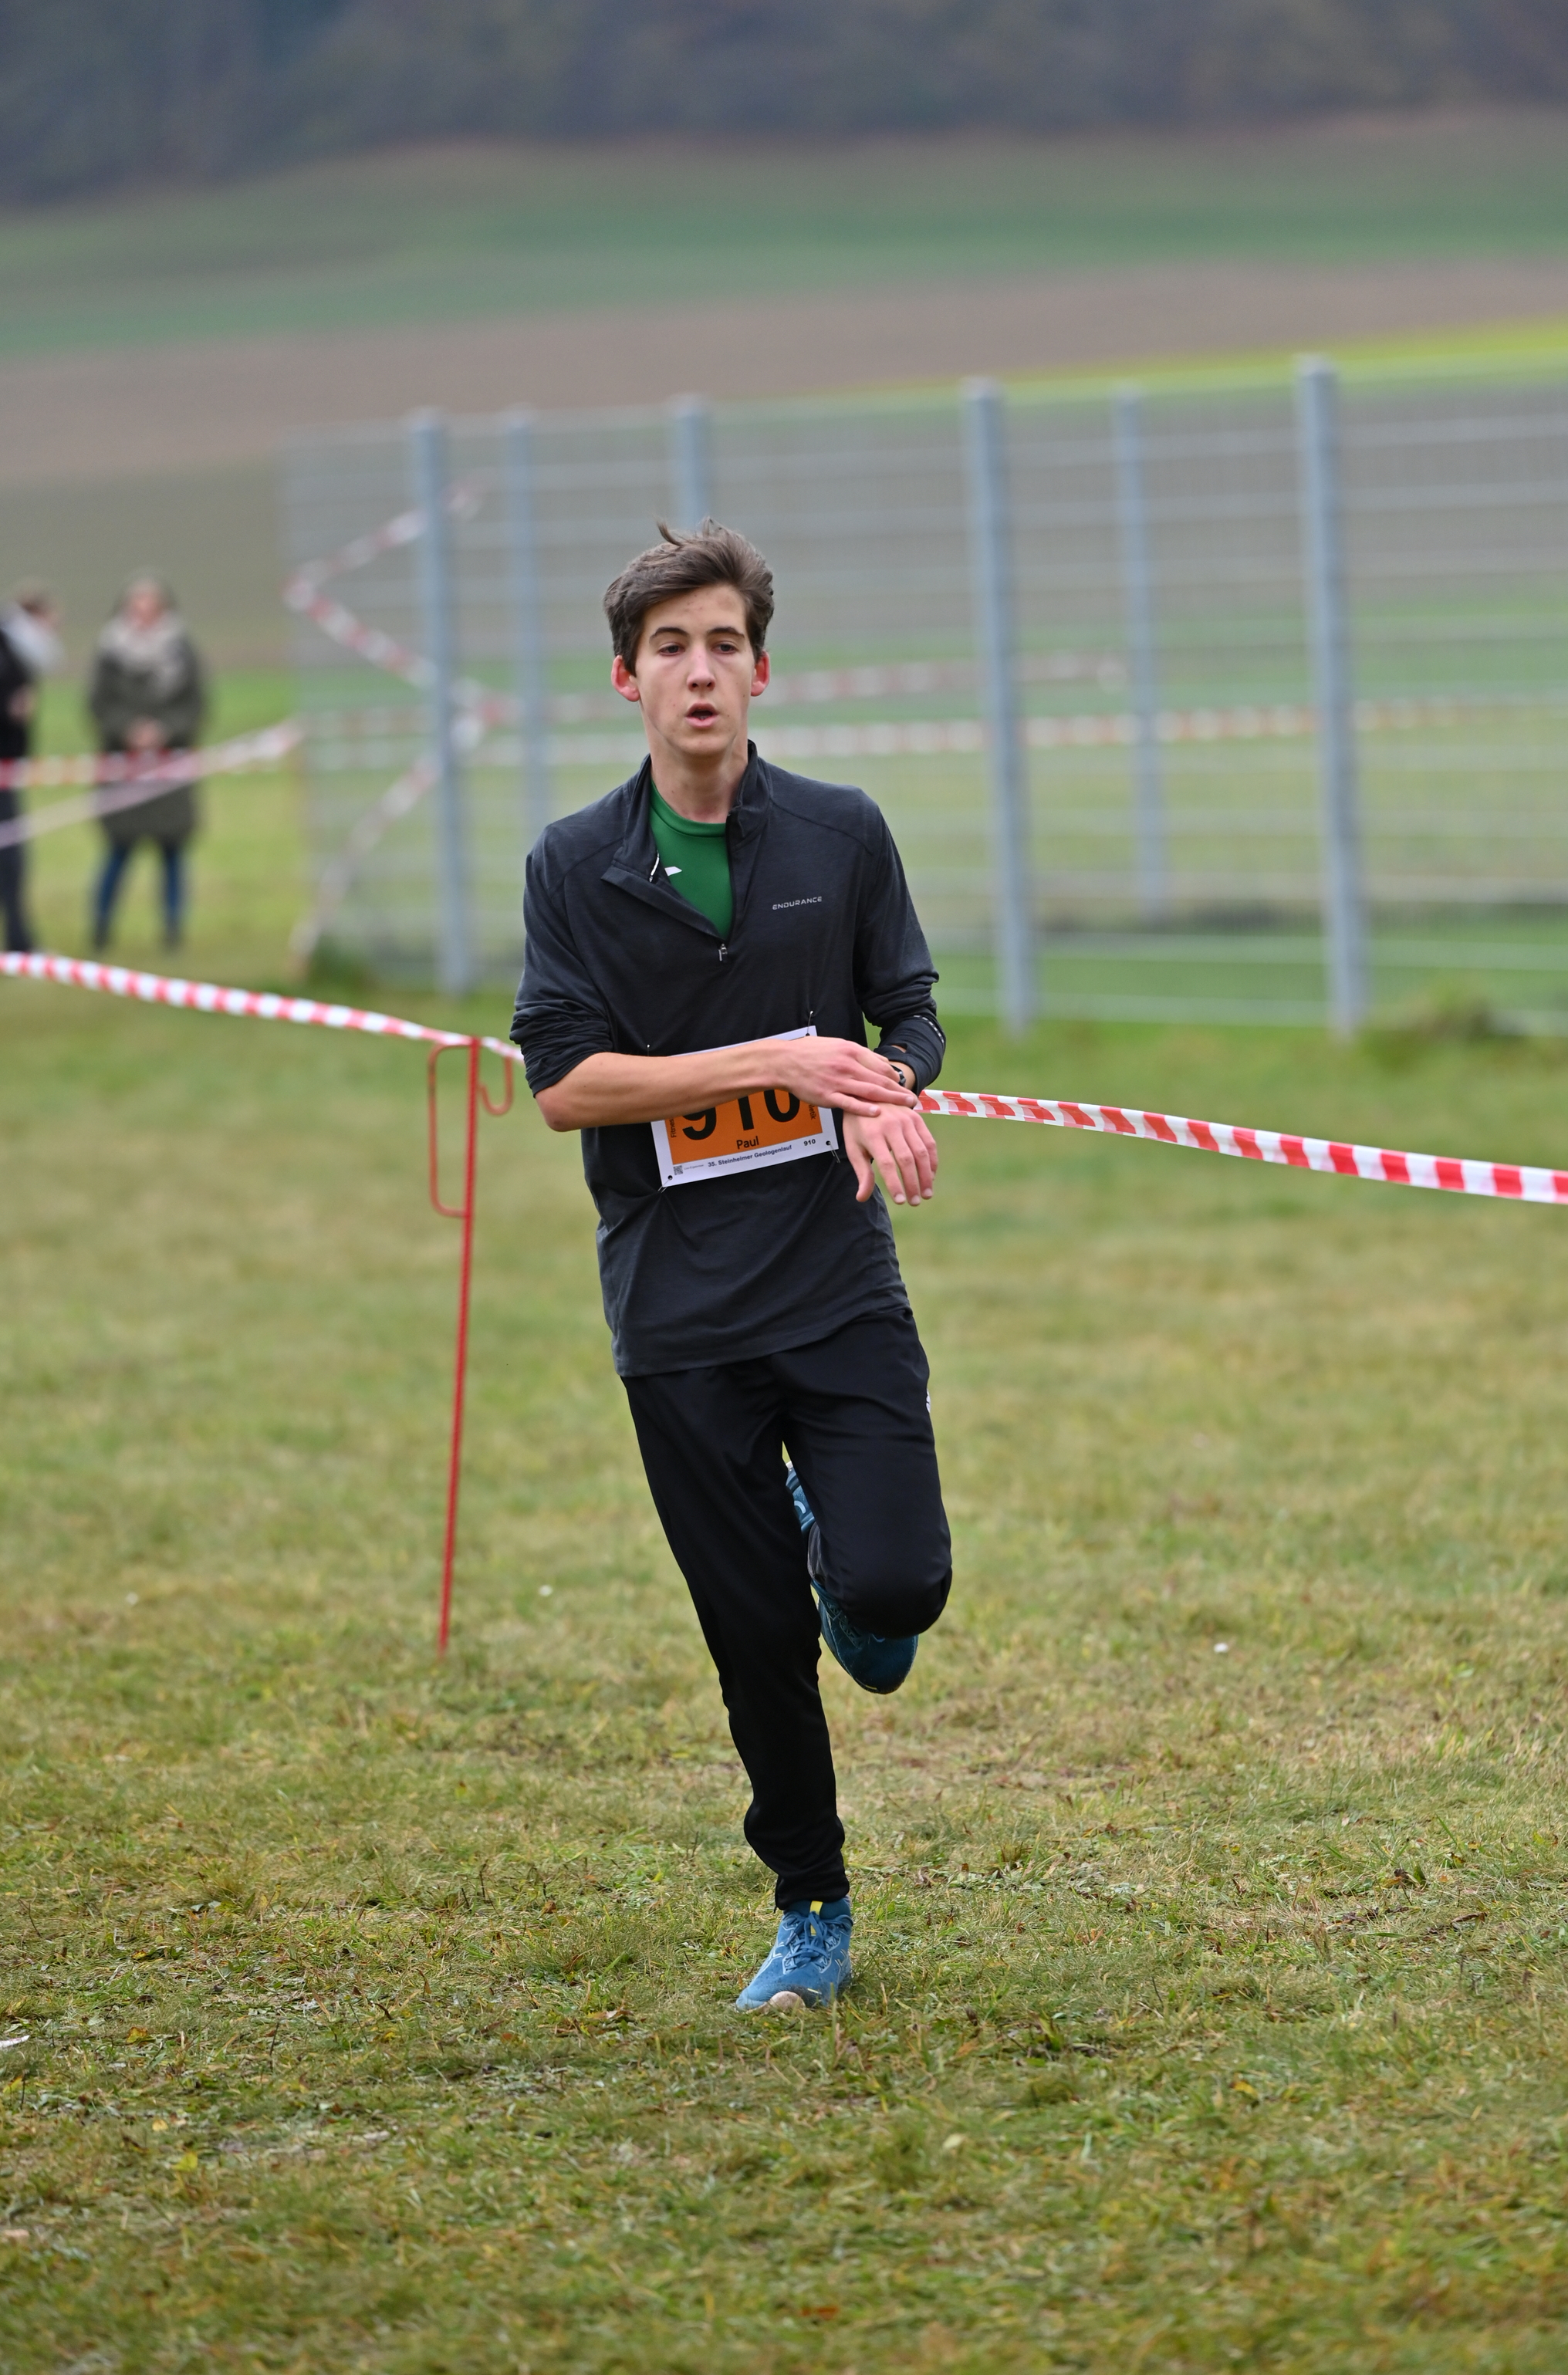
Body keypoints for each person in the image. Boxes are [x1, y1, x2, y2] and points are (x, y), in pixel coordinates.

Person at [512, 521, 951, 2012]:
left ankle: (845, 1556)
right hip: (678, 1307)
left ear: (759, 670)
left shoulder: (841, 834)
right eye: (669, 648)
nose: (697, 671)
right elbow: (565, 1084)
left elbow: (907, 1008)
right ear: (625, 681)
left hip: (833, 1281)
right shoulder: (573, 865)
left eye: (721, 644)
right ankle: (810, 1903)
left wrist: (888, 1088)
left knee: (894, 1594)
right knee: (754, 1636)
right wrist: (776, 1060)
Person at [86, 576, 207, 951]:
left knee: (172, 852)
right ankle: (101, 929)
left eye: (150, 608)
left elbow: (196, 705)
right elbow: (97, 704)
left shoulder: (181, 651)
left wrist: (165, 730)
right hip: (124, 767)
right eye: (136, 608)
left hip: (169, 768)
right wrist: (128, 730)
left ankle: (173, 932)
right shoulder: (110, 651)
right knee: (118, 850)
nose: (143, 615)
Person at [0, 582, 63, 954]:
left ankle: (19, 939)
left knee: (12, 862)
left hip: (8, 772)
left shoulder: (12, 651)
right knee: (10, 860)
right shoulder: (8, 650)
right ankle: (19, 942)